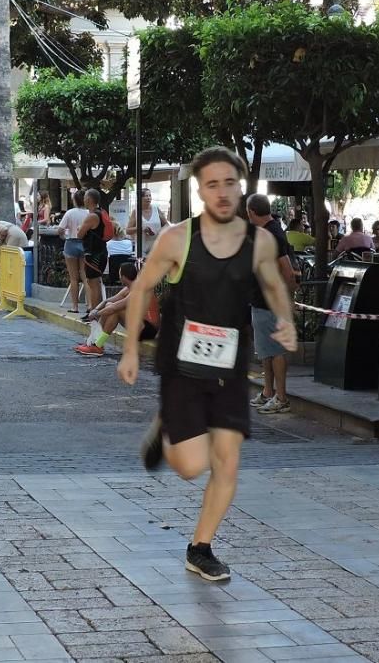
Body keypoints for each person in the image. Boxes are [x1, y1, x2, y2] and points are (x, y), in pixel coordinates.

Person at [117, 147, 296, 581]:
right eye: (212, 185)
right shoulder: (177, 238)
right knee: (192, 466)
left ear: (241, 187)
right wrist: (127, 349)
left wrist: (286, 320)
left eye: (229, 184)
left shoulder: (261, 242)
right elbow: (140, 289)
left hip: (231, 367)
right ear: (199, 190)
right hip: (183, 367)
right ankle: (167, 426)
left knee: (229, 460)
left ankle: (201, 547)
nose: (222, 193)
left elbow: (273, 284)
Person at [247, 194, 297, 414]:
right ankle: (268, 391)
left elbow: (286, 268)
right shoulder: (267, 231)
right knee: (265, 350)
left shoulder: (272, 234)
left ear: (251, 212)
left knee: (275, 349)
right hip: (261, 298)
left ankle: (282, 396)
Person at [74, 262, 158, 356]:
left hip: (148, 329)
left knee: (116, 311)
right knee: (109, 305)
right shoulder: (129, 288)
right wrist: (95, 310)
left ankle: (98, 345)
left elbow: (115, 307)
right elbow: (108, 301)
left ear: (123, 277)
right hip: (140, 324)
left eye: (119, 274)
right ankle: (94, 341)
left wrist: (96, 314)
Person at [77, 189, 108, 318]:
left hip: (95, 254)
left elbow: (80, 234)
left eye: (85, 197)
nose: (83, 200)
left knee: (93, 283)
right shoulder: (101, 213)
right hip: (99, 252)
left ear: (89, 199)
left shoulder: (92, 216)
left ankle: (95, 313)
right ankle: (95, 312)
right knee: (93, 282)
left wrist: (80, 228)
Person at [57, 192, 89, 313]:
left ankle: (75, 306)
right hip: (84, 244)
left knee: (73, 278)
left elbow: (60, 229)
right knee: (85, 277)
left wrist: (64, 236)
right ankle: (90, 305)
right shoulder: (89, 213)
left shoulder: (70, 213)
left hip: (71, 243)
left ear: (74, 200)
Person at [126, 188, 168, 256]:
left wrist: (159, 232)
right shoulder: (136, 211)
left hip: (156, 245)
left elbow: (166, 225)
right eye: (146, 196)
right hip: (141, 247)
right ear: (140, 198)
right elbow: (128, 231)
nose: (149, 198)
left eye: (150, 195)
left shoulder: (156, 209)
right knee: (142, 266)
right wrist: (140, 228)